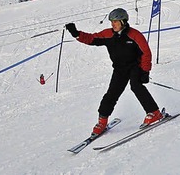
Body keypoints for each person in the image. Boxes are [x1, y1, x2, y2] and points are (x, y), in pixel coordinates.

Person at [65, 8, 163, 136]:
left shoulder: (134, 35)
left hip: (135, 67)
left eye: (116, 22)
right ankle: (102, 121)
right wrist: (76, 33)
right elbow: (91, 39)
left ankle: (154, 112)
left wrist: (145, 71)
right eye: (112, 22)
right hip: (119, 69)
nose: (113, 24)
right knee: (112, 93)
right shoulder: (108, 34)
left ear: (123, 21)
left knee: (136, 86)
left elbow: (146, 53)